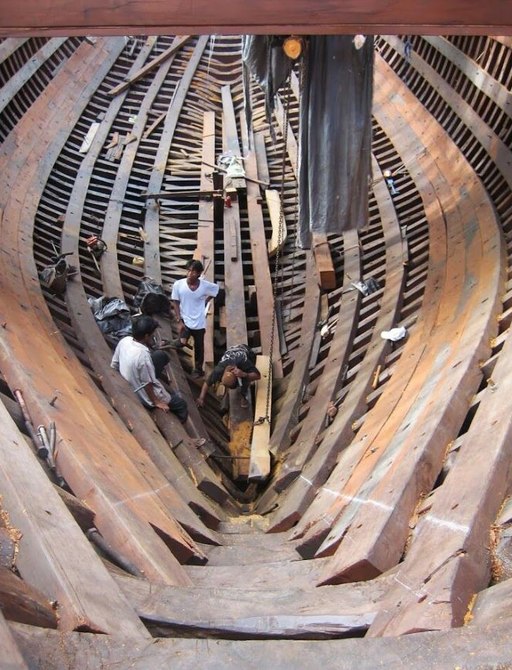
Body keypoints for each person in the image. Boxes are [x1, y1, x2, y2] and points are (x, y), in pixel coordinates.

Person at [111, 315, 188, 422]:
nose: (153, 336)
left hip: (130, 378)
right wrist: (156, 402)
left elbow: (114, 364)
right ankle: (184, 430)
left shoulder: (125, 340)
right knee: (182, 405)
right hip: (142, 393)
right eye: (152, 334)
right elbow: (148, 384)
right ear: (146, 336)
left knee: (161, 356)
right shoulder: (143, 356)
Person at [171, 259, 219, 378]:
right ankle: (170, 343)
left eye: (193, 271)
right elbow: (175, 302)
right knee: (182, 342)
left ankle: (198, 370)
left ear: (198, 273)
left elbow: (216, 290)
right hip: (186, 320)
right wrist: (179, 320)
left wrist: (205, 301)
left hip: (199, 322)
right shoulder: (179, 284)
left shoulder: (204, 286)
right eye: (188, 270)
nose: (190, 273)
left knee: (199, 347)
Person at [197, 344, 261, 409]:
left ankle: (244, 397)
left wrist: (244, 374)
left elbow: (258, 376)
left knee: (245, 379)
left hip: (246, 351)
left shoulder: (243, 361)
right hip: (231, 351)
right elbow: (207, 383)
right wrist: (201, 398)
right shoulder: (219, 370)